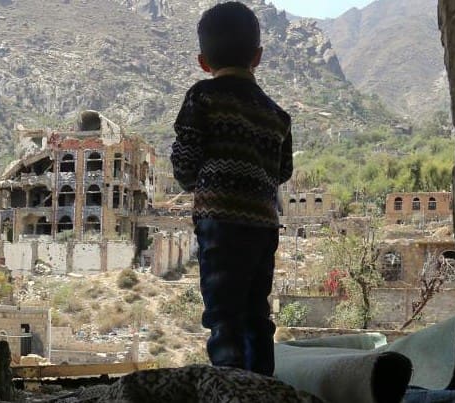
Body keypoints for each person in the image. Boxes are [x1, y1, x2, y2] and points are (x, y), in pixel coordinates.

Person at [170, 1, 293, 377]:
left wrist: (202, 182)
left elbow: (185, 165)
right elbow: (283, 172)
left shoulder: (202, 97)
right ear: (257, 56)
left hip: (220, 225)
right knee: (257, 314)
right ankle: (263, 389)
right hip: (263, 226)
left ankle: (231, 388)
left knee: (224, 317)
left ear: (203, 62)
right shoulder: (277, 115)